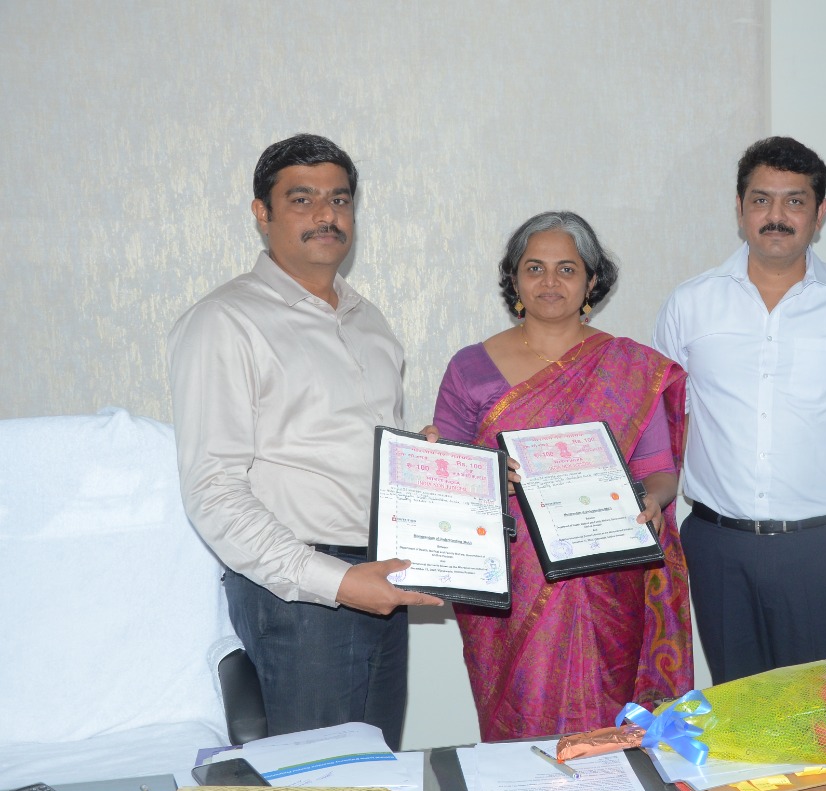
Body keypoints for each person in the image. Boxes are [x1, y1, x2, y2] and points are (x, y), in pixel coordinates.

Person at [168, 133, 440, 750]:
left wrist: (421, 460)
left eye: (340, 199)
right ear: (262, 213)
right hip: (300, 596)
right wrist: (337, 582)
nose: (326, 215)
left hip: (382, 573)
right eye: (302, 199)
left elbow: (342, 447)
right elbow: (213, 490)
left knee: (378, 775)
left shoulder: (369, 320)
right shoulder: (225, 321)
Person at [654, 137, 826, 685]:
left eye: (795, 201)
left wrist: (821, 479)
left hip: (816, 548)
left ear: (820, 214)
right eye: (761, 200)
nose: (777, 216)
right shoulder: (690, 304)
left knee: (815, 716)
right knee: (739, 713)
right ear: (740, 209)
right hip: (717, 544)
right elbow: (671, 420)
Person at [432, 210, 691, 741]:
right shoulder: (471, 368)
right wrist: (471, 469)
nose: (550, 282)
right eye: (535, 268)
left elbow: (660, 473)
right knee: (520, 714)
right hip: (509, 579)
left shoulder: (629, 367)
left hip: (608, 576)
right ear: (515, 279)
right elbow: (447, 474)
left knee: (606, 720)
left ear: (592, 280)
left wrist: (647, 500)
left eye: (567, 269)